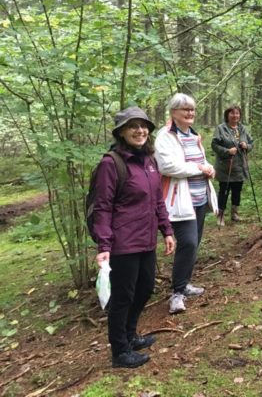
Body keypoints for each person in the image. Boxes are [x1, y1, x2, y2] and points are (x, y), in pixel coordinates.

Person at [93, 106, 175, 368]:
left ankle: (130, 335)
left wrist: (167, 230)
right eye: (133, 126)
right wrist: (104, 245)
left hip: (146, 239)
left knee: (145, 288)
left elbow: (157, 200)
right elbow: (102, 207)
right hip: (123, 243)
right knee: (123, 297)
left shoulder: (149, 161)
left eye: (143, 126)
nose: (140, 131)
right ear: (121, 132)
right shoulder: (111, 164)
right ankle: (120, 352)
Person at [155, 93, 218, 314]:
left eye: (192, 109)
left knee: (194, 243)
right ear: (174, 112)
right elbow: (167, 166)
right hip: (180, 201)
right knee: (188, 243)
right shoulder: (165, 136)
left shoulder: (193, 135)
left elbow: (200, 160)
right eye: (185, 109)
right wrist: (198, 169)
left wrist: (209, 168)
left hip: (200, 198)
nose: (190, 113)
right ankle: (177, 294)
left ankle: (184, 283)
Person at [211, 105, 254, 226]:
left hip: (240, 166)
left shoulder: (242, 128)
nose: (235, 115)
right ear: (227, 115)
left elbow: (251, 143)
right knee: (224, 191)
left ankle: (235, 214)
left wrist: (247, 146)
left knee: (237, 190)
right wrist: (227, 151)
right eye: (232, 113)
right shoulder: (221, 128)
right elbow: (214, 145)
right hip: (226, 166)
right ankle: (220, 216)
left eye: (237, 113)